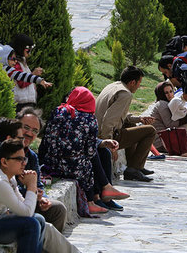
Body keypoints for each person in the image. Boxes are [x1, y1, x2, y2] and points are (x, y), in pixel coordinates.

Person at [39, 87, 128, 215]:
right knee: (91, 158)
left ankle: (103, 194)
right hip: (73, 169)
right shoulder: (90, 120)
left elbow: (48, 140)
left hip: (51, 163)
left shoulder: (57, 111)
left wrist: (102, 143)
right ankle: (94, 199)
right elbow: (90, 151)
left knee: (102, 151)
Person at [95, 66, 157, 182]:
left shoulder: (114, 86)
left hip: (98, 131)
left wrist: (140, 119)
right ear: (133, 82)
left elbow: (120, 115)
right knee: (150, 131)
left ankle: (135, 167)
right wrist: (108, 145)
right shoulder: (125, 94)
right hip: (104, 136)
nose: (139, 86)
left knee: (131, 126)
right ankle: (134, 168)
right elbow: (109, 120)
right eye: (139, 83)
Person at [16, 107, 68, 232]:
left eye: (35, 131)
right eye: (26, 128)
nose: (29, 133)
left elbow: (38, 184)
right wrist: (29, 190)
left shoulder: (32, 157)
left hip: (30, 200)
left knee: (58, 209)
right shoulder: (5, 151)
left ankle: (50, 250)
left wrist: (43, 198)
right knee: (37, 219)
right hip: (12, 203)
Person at [144, 82, 187, 151]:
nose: (170, 95)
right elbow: (169, 125)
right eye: (166, 93)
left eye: (171, 92)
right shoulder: (162, 104)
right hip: (161, 142)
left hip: (166, 139)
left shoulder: (169, 103)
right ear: (161, 94)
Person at [10, 34, 47, 112]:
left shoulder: (22, 61)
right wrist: (33, 75)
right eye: (28, 50)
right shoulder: (15, 63)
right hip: (21, 103)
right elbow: (21, 82)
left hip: (26, 102)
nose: (30, 53)